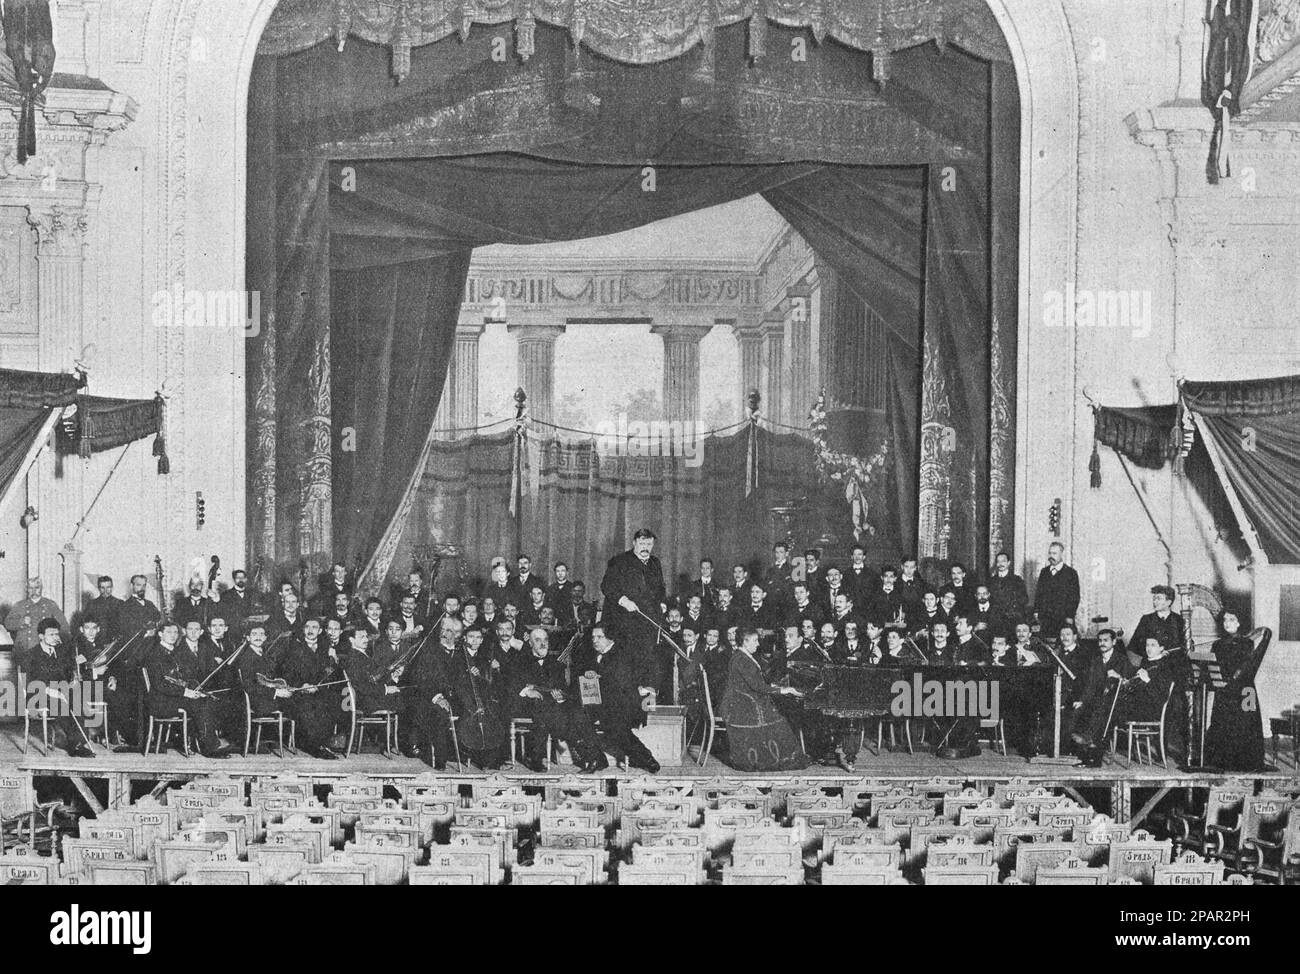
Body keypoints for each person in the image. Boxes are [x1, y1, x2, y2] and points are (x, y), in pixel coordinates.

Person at [505, 626, 603, 773]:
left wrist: (560, 698)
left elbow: (562, 687)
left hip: (551, 705)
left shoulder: (556, 663)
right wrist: (526, 691)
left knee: (576, 711)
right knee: (547, 710)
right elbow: (510, 687)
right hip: (526, 704)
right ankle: (595, 757)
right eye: (537, 640)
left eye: (545, 640)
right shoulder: (518, 661)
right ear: (530, 643)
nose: (542, 643)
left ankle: (593, 756)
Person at [719, 629, 809, 772]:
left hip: (743, 701)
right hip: (743, 706)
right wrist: (785, 690)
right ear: (745, 641)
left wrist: (775, 687)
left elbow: (756, 683)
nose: (758, 644)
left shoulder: (742, 656)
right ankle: (776, 760)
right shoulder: (742, 659)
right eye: (755, 640)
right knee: (780, 719)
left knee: (776, 711)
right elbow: (758, 687)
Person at [600, 528, 669, 702]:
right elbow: (607, 586)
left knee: (647, 667)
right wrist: (624, 601)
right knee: (625, 668)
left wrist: (662, 602)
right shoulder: (619, 561)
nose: (645, 547)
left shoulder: (655, 562)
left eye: (649, 543)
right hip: (624, 626)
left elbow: (660, 588)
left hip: (647, 626)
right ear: (634, 543)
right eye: (642, 543)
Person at [142, 621, 227, 757]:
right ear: (160, 634)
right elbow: (159, 684)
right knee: (199, 703)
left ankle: (199, 743)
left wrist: (193, 690)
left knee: (205, 698)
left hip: (173, 697)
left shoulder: (173, 652)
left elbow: (181, 678)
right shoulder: (155, 654)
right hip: (160, 702)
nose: (173, 635)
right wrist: (186, 692)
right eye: (169, 632)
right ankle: (209, 748)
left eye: (175, 632)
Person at [581, 625, 658, 773]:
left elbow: (620, 684)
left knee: (613, 725)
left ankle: (645, 758)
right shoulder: (592, 655)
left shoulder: (622, 653)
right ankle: (597, 758)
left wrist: (598, 677)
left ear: (610, 638)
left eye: (599, 637)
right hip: (601, 703)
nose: (594, 641)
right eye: (593, 637)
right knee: (578, 716)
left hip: (625, 703)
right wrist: (588, 675)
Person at [1204, 611, 1267, 772]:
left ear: (1239, 623)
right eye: (1225, 620)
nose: (1227, 623)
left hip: (1245, 690)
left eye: (1232, 620)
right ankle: (1223, 761)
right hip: (1224, 688)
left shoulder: (1247, 644)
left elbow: (1245, 668)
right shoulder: (1217, 644)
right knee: (1222, 721)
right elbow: (1213, 666)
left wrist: (1231, 680)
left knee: (1246, 723)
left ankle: (1245, 761)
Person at [25, 619, 93, 757]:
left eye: (57, 634)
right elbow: (33, 683)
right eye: (51, 635)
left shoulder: (60, 654)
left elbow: (64, 676)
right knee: (60, 704)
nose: (56, 638)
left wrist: (72, 680)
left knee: (77, 698)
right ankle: (75, 746)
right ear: (41, 637)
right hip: (37, 695)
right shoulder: (32, 654)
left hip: (58, 692)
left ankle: (80, 740)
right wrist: (53, 692)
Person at [278, 617, 343, 758]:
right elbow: (287, 673)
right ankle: (314, 746)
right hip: (299, 692)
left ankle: (323, 742)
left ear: (320, 631)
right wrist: (302, 685)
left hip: (319, 690)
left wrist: (335, 659)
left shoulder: (326, 649)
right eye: (307, 627)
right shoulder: (293, 648)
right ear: (303, 630)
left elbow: (331, 674)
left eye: (314, 627)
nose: (310, 630)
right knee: (308, 706)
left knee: (330, 702)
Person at [5, 577, 67, 662]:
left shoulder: (50, 605)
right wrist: (22, 622)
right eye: (30, 588)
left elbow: (64, 626)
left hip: (45, 649)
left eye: (37, 587)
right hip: (24, 650)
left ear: (41, 588)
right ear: (27, 590)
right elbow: (7, 623)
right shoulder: (19, 605)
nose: (33, 590)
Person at [1034, 542, 1080, 637]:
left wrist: (1070, 616)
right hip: (1046, 618)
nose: (1051, 556)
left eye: (1054, 553)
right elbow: (1039, 593)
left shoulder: (1070, 573)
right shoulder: (1044, 572)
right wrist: (1036, 611)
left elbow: (1074, 597)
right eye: (1050, 553)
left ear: (1061, 554)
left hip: (1063, 618)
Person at [83, 576, 123, 641]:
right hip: (96, 641)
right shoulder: (91, 604)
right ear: (99, 588)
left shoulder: (119, 603)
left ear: (112, 588)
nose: (105, 591)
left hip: (114, 643)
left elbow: (122, 626)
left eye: (108, 587)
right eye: (102, 588)